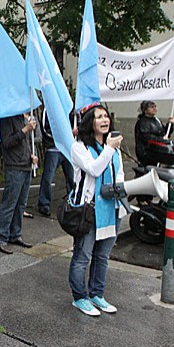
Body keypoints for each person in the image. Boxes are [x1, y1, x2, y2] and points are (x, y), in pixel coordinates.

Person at [69, 103, 125, 316]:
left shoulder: (115, 149)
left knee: (102, 256)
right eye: (98, 117)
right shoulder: (79, 147)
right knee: (83, 256)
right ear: (89, 122)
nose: (104, 120)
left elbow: (118, 174)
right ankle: (79, 297)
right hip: (89, 210)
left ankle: (97, 294)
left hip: (112, 208)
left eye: (106, 116)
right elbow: (94, 169)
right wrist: (109, 148)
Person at [0, 113, 39, 254]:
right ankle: (1, 237)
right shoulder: (7, 119)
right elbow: (7, 143)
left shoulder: (24, 119)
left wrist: (31, 155)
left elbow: (26, 143)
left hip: (26, 165)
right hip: (14, 166)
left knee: (21, 204)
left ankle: (15, 234)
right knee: (9, 203)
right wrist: (24, 130)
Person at [36, 108, 75, 216]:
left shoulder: (69, 106)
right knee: (48, 178)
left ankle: (73, 201)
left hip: (68, 149)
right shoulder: (48, 107)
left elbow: (75, 124)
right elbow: (45, 129)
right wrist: (59, 139)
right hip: (53, 148)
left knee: (72, 177)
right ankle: (44, 204)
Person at [134, 100, 174, 166]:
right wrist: (162, 139)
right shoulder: (142, 122)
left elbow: (164, 133)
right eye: (152, 107)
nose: (155, 108)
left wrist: (170, 124)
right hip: (146, 152)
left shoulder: (157, 120)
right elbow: (146, 137)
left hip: (157, 151)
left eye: (155, 106)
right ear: (145, 110)